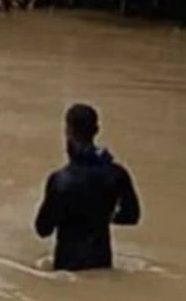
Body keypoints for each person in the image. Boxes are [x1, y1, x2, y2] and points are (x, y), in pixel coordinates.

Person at [34, 103, 141, 272]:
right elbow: (131, 216)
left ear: (67, 131)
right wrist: (104, 216)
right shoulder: (116, 174)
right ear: (96, 130)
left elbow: (43, 229)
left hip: (67, 272)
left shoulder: (61, 181)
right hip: (102, 265)